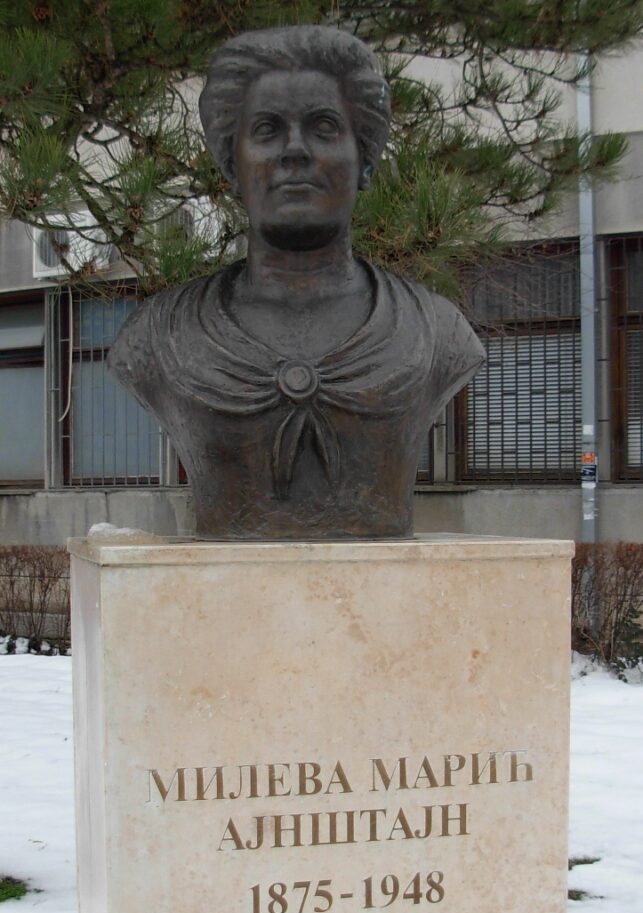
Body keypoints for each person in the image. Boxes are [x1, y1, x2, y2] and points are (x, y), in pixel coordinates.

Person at [108, 25, 484, 539]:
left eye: (323, 127)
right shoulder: (158, 335)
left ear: (365, 160)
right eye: (266, 130)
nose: (294, 151)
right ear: (233, 166)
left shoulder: (437, 330)